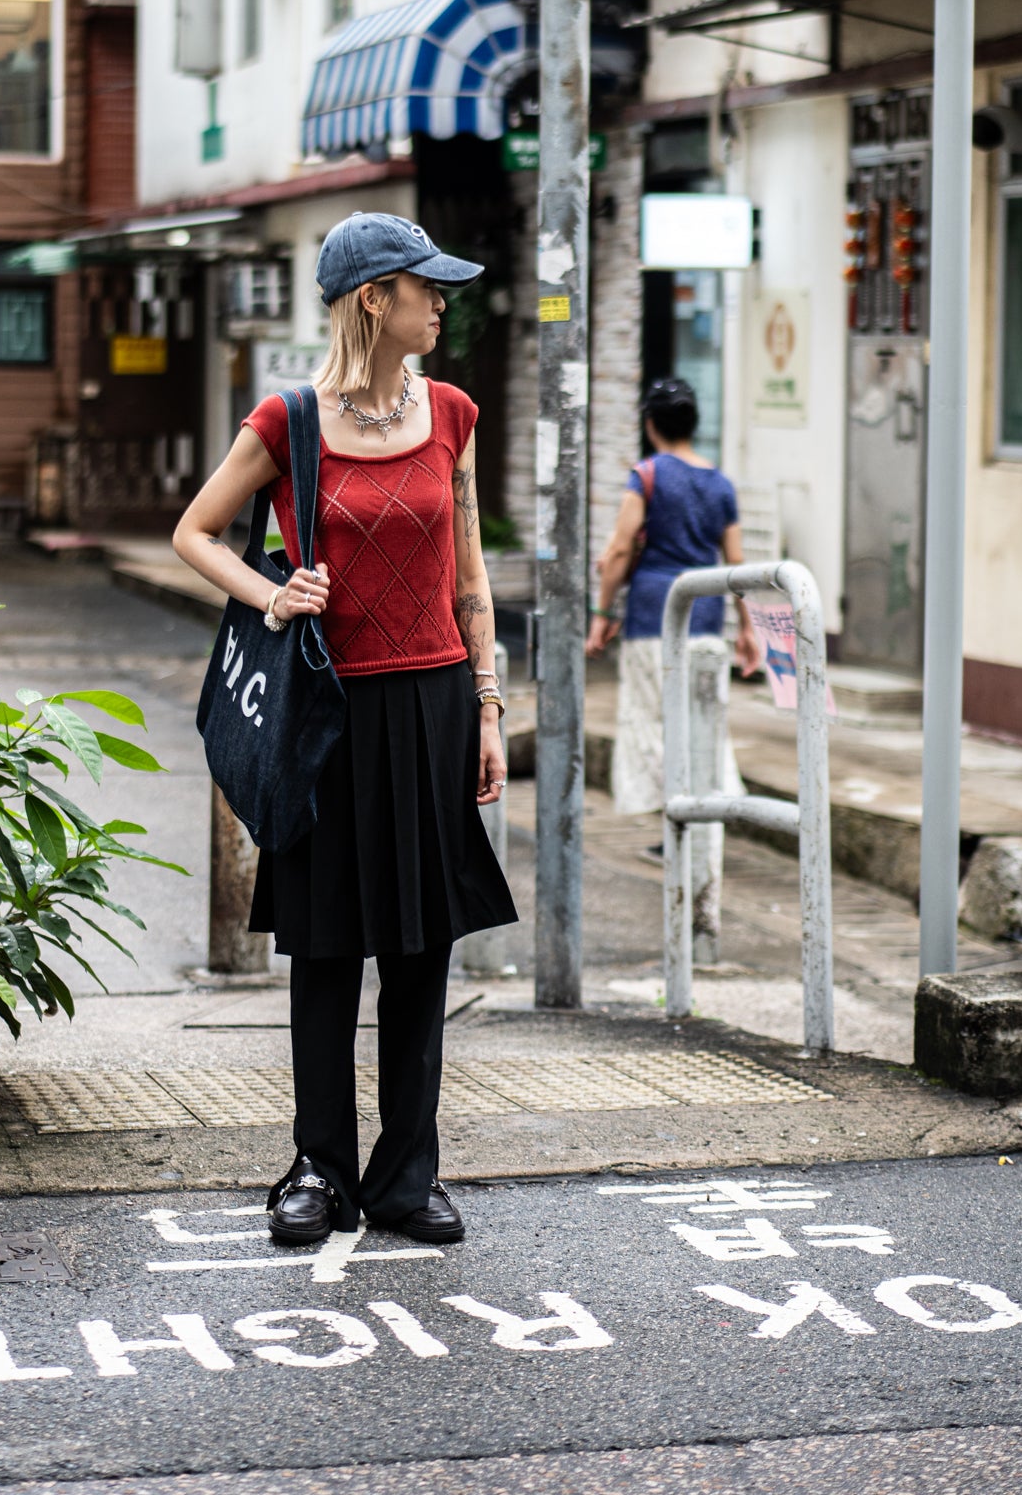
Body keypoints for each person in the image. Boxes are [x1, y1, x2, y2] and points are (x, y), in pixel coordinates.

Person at [173, 213, 518, 1249]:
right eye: (427, 286)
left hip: (434, 704)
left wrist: (491, 702)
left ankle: (407, 1172)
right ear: (377, 298)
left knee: (420, 948)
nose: (441, 302)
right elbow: (193, 531)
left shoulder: (451, 411)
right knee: (326, 950)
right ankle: (319, 1165)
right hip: (328, 709)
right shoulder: (289, 422)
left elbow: (470, 576)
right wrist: (270, 597)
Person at [585, 376, 762, 816]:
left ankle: (673, 824)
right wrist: (747, 629)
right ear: (693, 424)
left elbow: (621, 548)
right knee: (705, 723)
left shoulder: (645, 476)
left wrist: (602, 614)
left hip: (652, 617)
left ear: (650, 425)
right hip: (704, 617)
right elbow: (735, 564)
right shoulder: (721, 484)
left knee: (652, 722)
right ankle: (704, 822)